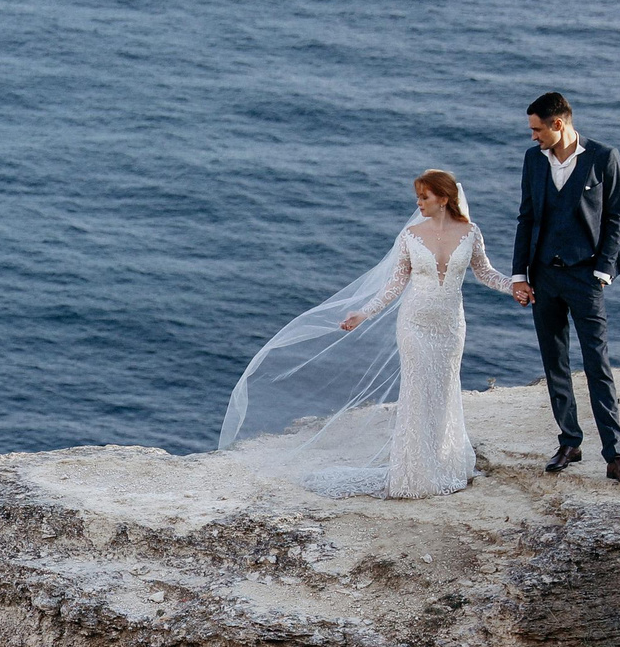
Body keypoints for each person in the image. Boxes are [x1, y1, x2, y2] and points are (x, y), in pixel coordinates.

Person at [217, 169, 519, 499]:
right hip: (415, 325)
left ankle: (444, 462)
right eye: (417, 197)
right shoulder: (411, 237)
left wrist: (515, 287)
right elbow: (395, 285)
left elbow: (486, 273)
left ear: (444, 199)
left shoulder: (470, 233)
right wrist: (364, 313)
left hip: (450, 327)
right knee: (417, 394)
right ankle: (414, 475)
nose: (418, 203)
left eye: (424, 197)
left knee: (445, 391)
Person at [511, 91, 620, 485]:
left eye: (536, 129)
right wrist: (519, 275)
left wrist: (603, 270)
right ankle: (570, 441)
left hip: (586, 277)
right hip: (544, 277)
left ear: (558, 124)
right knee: (555, 362)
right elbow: (527, 218)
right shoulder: (534, 160)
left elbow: (616, 217)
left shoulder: (603, 157)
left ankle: (615, 455)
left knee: (597, 365)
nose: (532, 137)